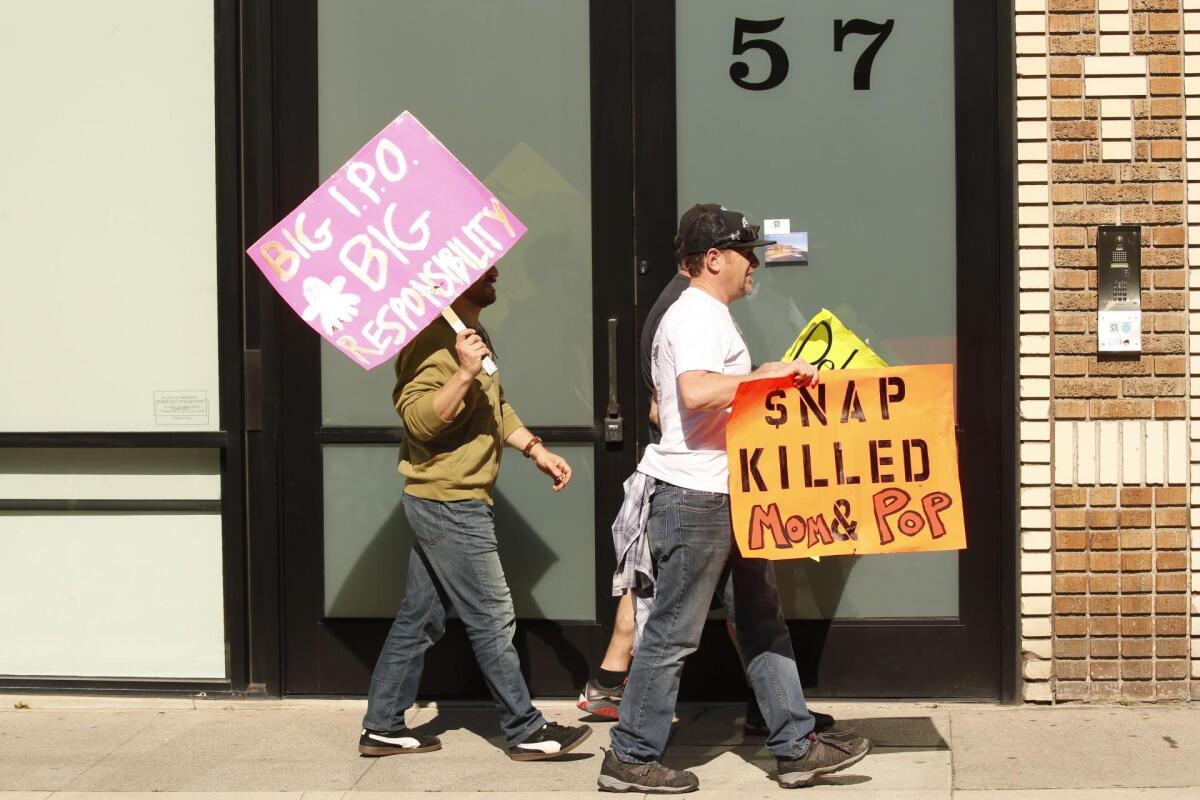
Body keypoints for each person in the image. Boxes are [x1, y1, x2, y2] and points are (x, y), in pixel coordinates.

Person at [597, 205, 871, 793]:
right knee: (673, 632)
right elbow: (695, 392)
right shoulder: (695, 313)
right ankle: (630, 754)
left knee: (761, 621)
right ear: (713, 259)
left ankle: (795, 746)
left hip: (724, 492)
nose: (756, 264)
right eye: (747, 254)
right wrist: (766, 378)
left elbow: (673, 404)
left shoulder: (709, 314)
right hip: (695, 497)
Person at [358, 263, 592, 761]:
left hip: (450, 498)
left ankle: (381, 726)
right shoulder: (430, 341)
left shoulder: (468, 333)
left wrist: (535, 449)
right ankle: (526, 730)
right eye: (483, 269)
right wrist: (463, 370)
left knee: (420, 618)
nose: (497, 273)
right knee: (493, 617)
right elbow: (419, 420)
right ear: (449, 281)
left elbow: (494, 404)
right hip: (450, 501)